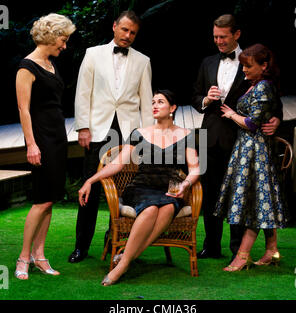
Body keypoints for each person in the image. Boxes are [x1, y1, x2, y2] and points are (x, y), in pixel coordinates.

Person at [78, 90, 200, 285]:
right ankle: (125, 263)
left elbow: (194, 169)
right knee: (151, 208)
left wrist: (185, 184)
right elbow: (117, 164)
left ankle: (125, 259)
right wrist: (90, 180)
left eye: (160, 102)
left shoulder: (187, 135)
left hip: (172, 187)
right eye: (153, 102)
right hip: (142, 186)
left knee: (168, 207)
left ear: (172, 108)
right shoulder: (139, 133)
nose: (155, 105)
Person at [191, 14, 282, 261]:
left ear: (236, 34)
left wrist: (277, 120)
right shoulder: (207, 62)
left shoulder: (251, 61)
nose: (218, 41)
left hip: (241, 140)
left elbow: (274, 104)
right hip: (210, 137)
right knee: (210, 193)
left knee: (237, 195)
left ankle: (236, 249)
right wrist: (206, 100)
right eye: (215, 37)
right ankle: (211, 245)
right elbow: (195, 97)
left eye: (223, 37)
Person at [69, 10, 154, 263]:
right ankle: (81, 247)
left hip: (128, 133)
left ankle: (115, 243)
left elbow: (147, 103)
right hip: (96, 130)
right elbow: (83, 92)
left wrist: (147, 137)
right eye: (125, 30)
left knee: (122, 191)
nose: (128, 36)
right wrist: (83, 127)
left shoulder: (143, 61)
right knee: (91, 187)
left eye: (133, 33)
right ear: (114, 27)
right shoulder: (92, 54)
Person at [214, 43, 287, 272]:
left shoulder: (264, 86)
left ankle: (243, 255)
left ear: (264, 66)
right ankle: (271, 249)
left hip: (256, 151)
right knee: (260, 199)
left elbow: (254, 124)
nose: (243, 70)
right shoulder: (255, 84)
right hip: (247, 149)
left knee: (254, 202)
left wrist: (232, 114)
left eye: (248, 66)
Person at [14, 13, 76, 280]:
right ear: (51, 37)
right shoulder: (26, 67)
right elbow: (23, 109)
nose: (65, 45)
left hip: (57, 137)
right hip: (40, 139)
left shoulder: (51, 65)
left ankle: (40, 256)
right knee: (41, 201)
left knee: (50, 200)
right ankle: (23, 258)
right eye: (63, 40)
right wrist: (31, 145)